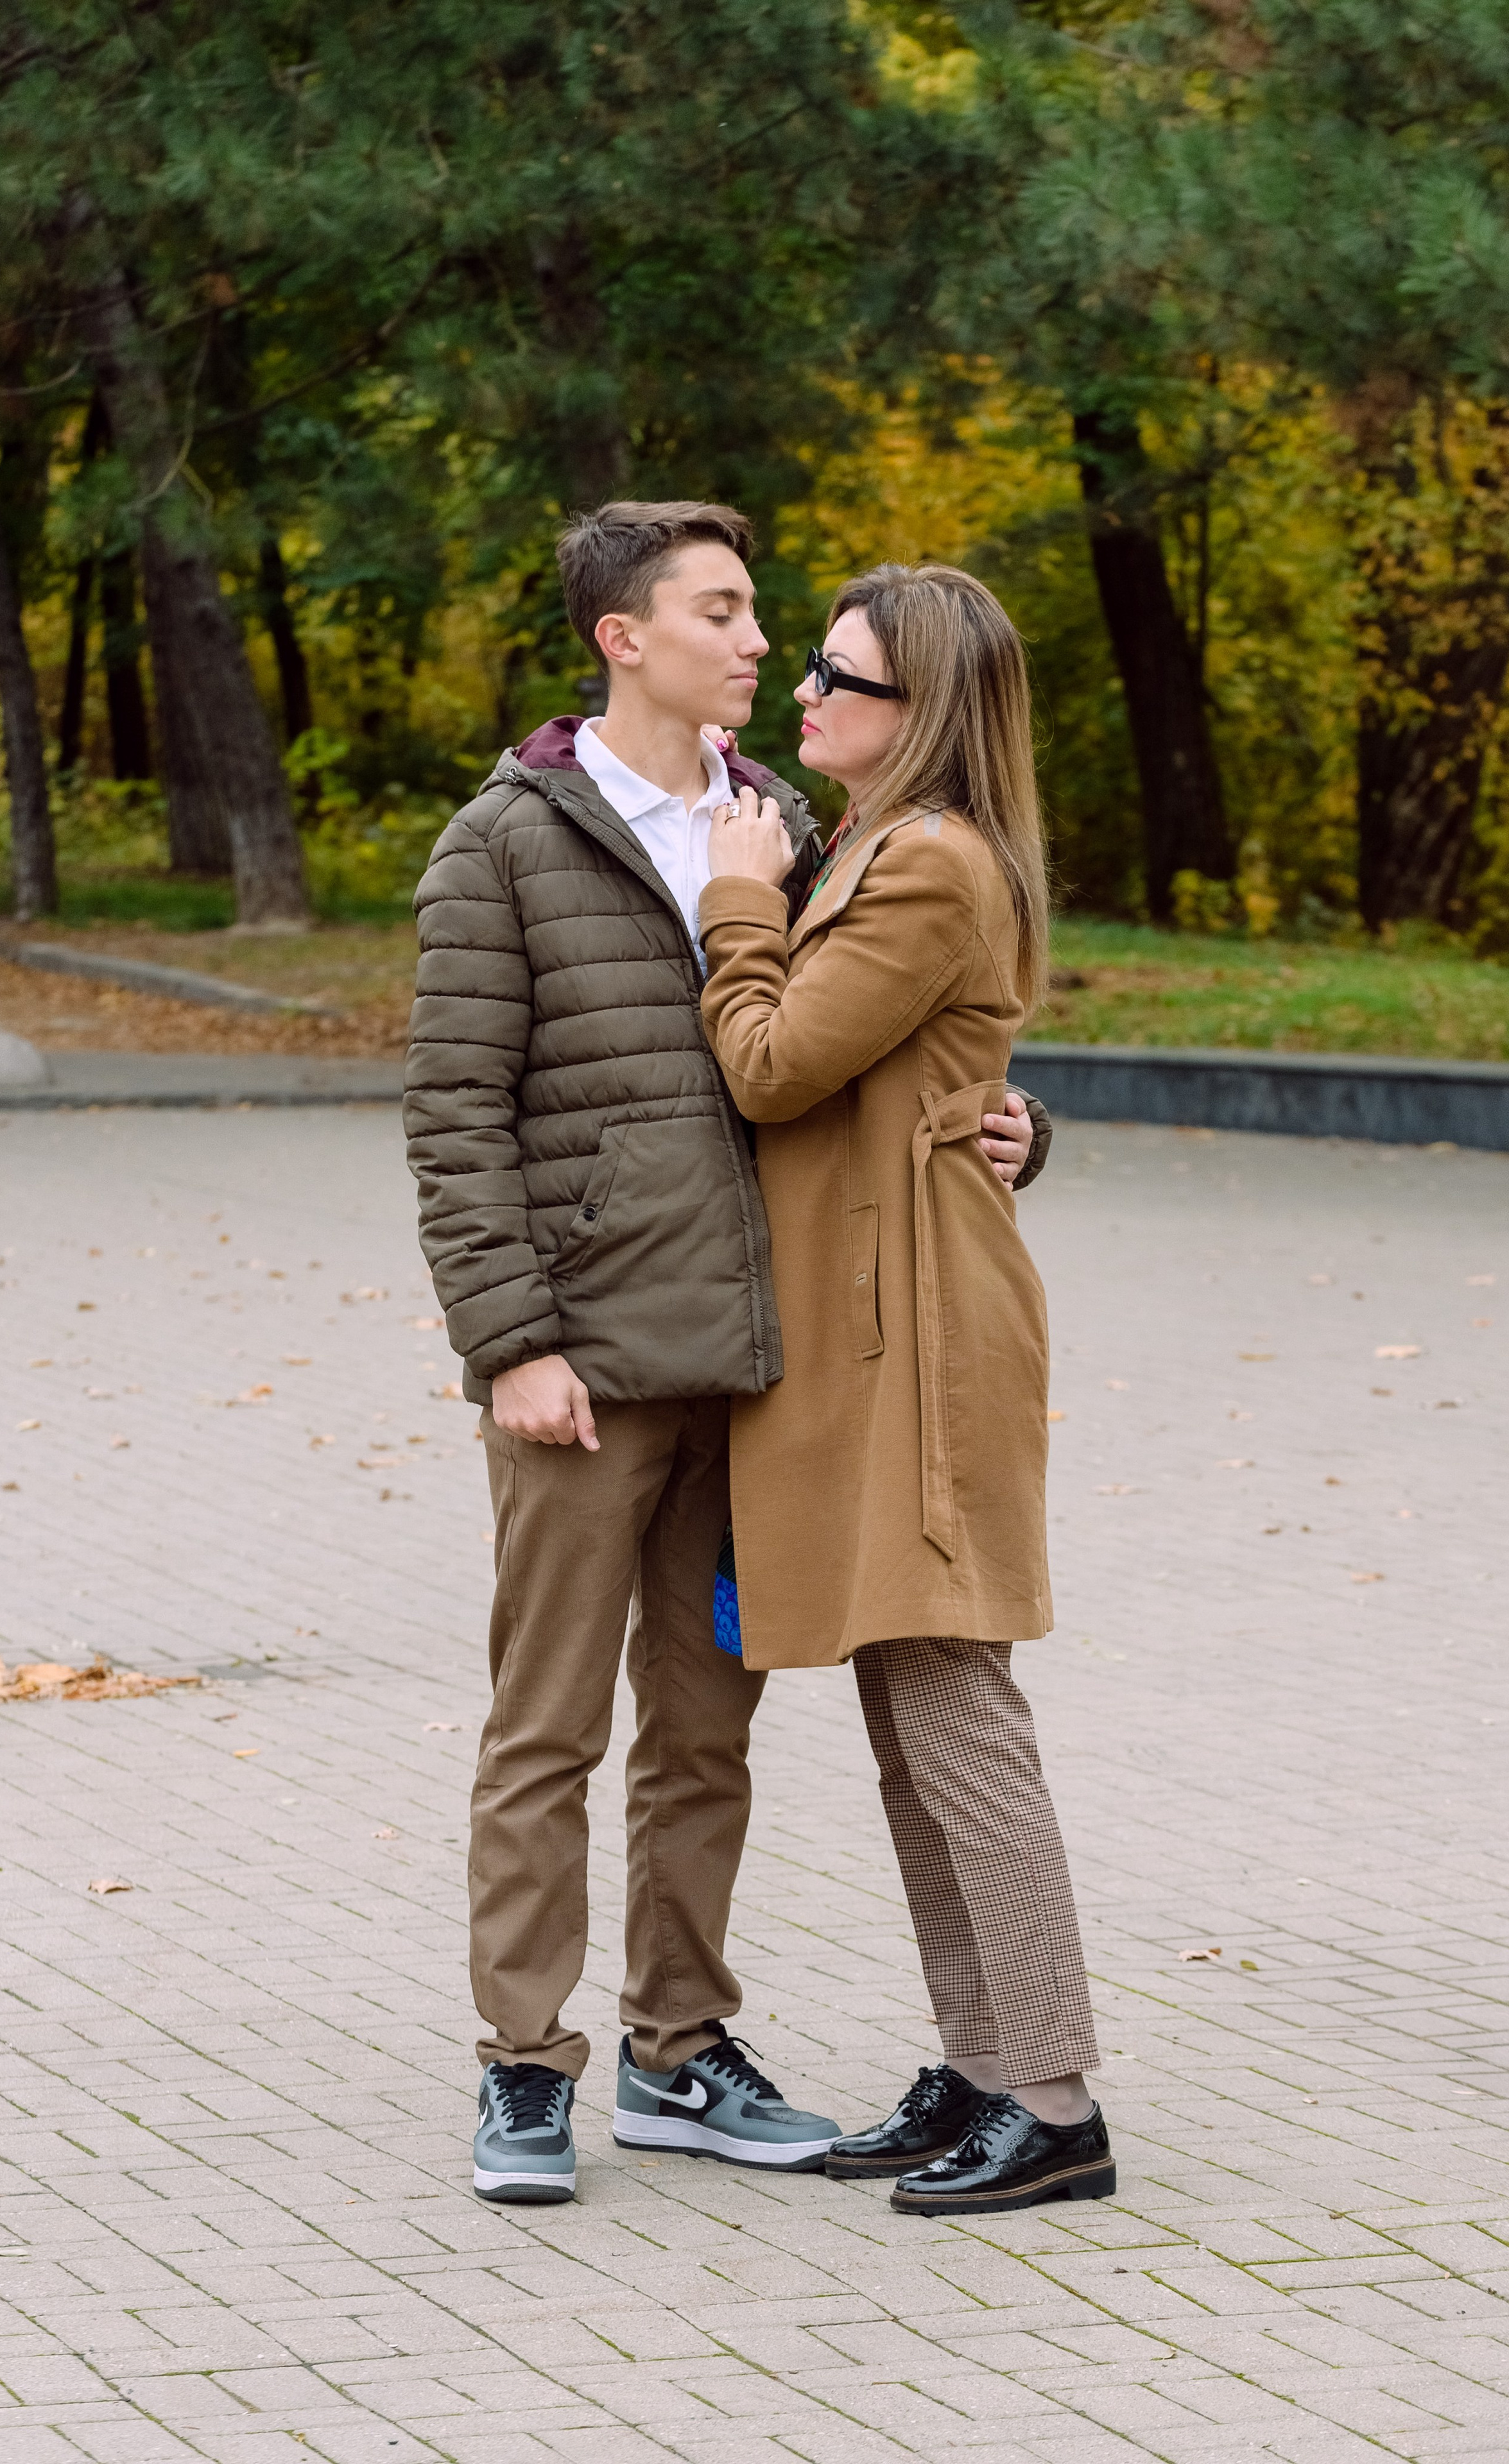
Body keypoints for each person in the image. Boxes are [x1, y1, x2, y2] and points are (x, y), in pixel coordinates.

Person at [404, 504, 1037, 2205]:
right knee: (545, 1733)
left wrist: (1002, 1130)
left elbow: (875, 1053)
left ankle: (680, 2051)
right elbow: (454, 1121)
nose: (762, 645)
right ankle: (526, 2071)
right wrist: (511, 1343)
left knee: (706, 1740)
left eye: (769, 619)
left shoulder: (792, 832)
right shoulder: (509, 840)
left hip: (759, 1379)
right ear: (625, 637)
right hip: (583, 1373)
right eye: (726, 611)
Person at [696, 561, 1111, 2218]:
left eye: (837, 676)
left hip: (924, 1335)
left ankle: (1058, 2095)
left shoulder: (925, 863)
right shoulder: (872, 846)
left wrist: (736, 908)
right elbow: (945, 1075)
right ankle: (983, 2056)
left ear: (918, 709)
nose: (801, 693)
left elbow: (777, 1063)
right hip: (883, 1309)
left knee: (956, 1706)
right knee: (908, 1716)